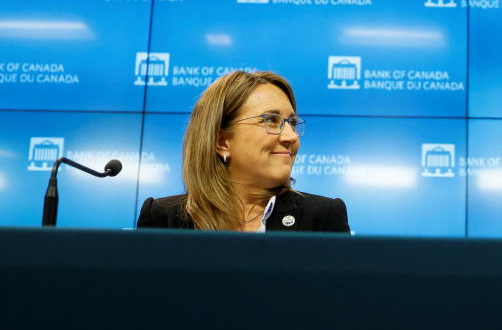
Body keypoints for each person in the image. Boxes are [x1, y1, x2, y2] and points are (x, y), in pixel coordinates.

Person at [137, 70, 349, 233]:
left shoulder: (323, 216)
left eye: (292, 123)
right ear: (222, 141)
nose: (291, 137)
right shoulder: (162, 217)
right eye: (271, 121)